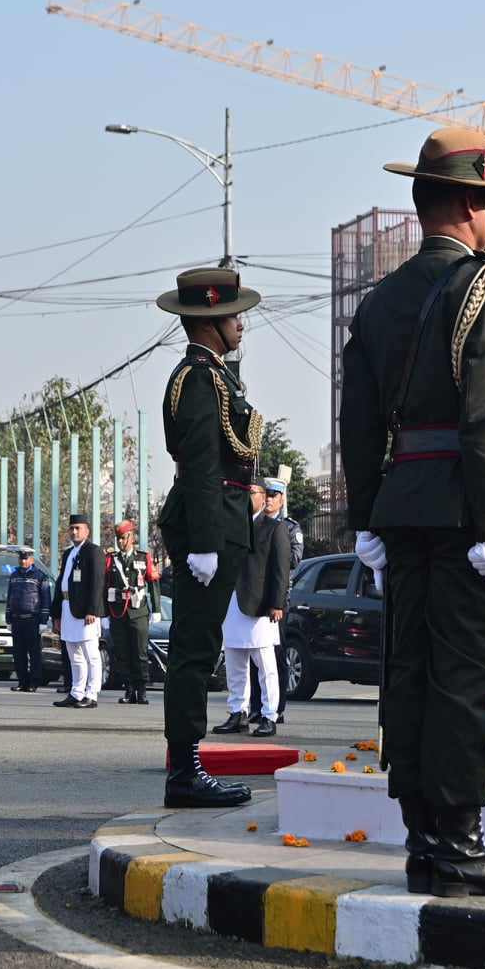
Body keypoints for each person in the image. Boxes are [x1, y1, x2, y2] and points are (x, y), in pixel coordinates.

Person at [340, 126, 485, 897]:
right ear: (472, 204)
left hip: (402, 504)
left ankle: (424, 836)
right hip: (465, 506)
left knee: (411, 672)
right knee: (461, 674)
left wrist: (365, 517)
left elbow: (356, 420)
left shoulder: (380, 300)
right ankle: (459, 839)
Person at [155, 267, 260, 808]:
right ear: (210, 318)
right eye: (234, 315)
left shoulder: (215, 374)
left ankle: (187, 765)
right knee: (194, 649)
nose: (241, 323)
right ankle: (184, 771)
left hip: (220, 518)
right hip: (210, 521)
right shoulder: (199, 378)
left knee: (201, 645)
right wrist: (204, 541)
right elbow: (199, 464)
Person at [218, 481, 290, 737]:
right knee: (235, 661)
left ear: (262, 498)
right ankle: (238, 712)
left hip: (259, 605)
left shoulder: (274, 527)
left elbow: (280, 570)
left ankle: (270, 715)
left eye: (253, 493)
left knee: (265, 664)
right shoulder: (234, 525)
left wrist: (277, 603)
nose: (248, 497)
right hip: (233, 603)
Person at [248, 473, 302, 722]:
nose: (268, 499)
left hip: (276, 598)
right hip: (253, 597)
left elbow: (292, 561)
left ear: (281, 499)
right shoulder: (252, 524)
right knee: (252, 654)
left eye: (273, 495)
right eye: (265, 495)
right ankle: (256, 705)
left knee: (273, 655)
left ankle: (275, 707)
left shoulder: (289, 527)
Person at [49, 515, 104, 709]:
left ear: (87, 531)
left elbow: (98, 583)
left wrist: (93, 610)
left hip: (85, 612)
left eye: (78, 528)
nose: (74, 532)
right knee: (74, 655)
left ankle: (92, 694)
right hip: (67, 608)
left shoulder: (93, 551)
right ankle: (76, 692)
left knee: (91, 654)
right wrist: (56, 614)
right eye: (71, 528)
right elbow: (60, 583)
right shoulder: (68, 553)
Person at [105, 521, 157, 704]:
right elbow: (106, 586)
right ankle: (129, 690)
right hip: (118, 612)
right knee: (122, 653)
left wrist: (156, 609)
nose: (121, 542)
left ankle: (142, 690)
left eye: (124, 537)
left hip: (138, 611)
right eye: (118, 538)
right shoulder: (111, 559)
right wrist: (105, 613)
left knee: (140, 653)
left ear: (132, 537)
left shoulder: (143, 558)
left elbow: (153, 582)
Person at [5, 548, 51, 691]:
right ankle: (22, 682)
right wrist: (8, 618)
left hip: (33, 619)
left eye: (26, 559)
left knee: (34, 654)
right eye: (21, 559)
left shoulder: (40, 576)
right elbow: (10, 597)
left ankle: (33, 683)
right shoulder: (14, 575)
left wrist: (43, 621)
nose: (23, 561)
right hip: (17, 619)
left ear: (32, 560)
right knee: (19, 654)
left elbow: (45, 599)